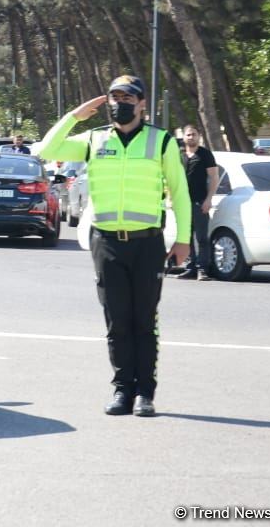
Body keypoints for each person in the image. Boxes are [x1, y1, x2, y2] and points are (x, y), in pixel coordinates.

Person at [37, 75, 191, 418]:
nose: (119, 104)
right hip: (106, 242)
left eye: (127, 98)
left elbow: (180, 192)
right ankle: (123, 389)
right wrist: (75, 116)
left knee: (144, 320)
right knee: (117, 320)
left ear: (142, 104)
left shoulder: (161, 141)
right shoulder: (94, 139)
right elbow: (46, 150)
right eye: (114, 98)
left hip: (147, 242)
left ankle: (145, 393)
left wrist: (183, 239)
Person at [177, 125, 218, 281]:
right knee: (186, 237)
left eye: (194, 134)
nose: (191, 137)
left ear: (199, 136)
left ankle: (202, 269)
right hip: (182, 203)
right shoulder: (179, 155)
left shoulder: (205, 154)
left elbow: (214, 177)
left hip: (199, 202)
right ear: (184, 137)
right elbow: (173, 178)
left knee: (201, 238)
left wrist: (208, 199)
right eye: (188, 135)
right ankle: (191, 267)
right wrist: (171, 198)